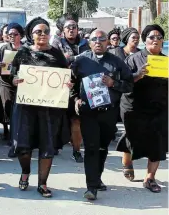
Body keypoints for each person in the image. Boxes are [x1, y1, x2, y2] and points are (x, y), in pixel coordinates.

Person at [9, 17, 70, 198]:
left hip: (49, 109)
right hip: (26, 107)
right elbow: (12, 76)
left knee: (47, 146)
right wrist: (15, 80)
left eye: (45, 31)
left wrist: (68, 84)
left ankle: (42, 183)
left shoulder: (57, 54)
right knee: (23, 145)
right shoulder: (23, 53)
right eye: (38, 32)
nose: (42, 35)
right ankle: (25, 171)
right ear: (31, 34)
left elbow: (66, 76)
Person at [71, 29, 133, 200]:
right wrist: (75, 98)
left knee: (102, 147)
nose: (98, 42)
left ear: (108, 42)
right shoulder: (80, 60)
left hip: (108, 112)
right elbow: (71, 83)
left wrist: (114, 83)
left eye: (102, 39)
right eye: (94, 39)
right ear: (89, 42)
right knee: (91, 148)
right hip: (88, 112)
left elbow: (129, 85)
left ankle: (97, 178)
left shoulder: (117, 62)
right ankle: (91, 187)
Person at [116, 24, 167, 193]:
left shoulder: (165, 61)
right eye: (152, 37)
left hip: (158, 108)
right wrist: (138, 75)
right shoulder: (134, 58)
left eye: (159, 37)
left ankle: (150, 178)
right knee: (132, 137)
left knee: (157, 143)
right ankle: (127, 162)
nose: (156, 40)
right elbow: (122, 82)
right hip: (134, 107)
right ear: (145, 40)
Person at [52, 13, 90, 163]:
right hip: (60, 86)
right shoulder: (56, 43)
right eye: (68, 27)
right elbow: (56, 61)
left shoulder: (86, 43)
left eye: (74, 27)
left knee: (76, 120)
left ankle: (76, 150)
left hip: (80, 86)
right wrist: (74, 59)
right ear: (63, 30)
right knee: (57, 118)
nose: (72, 29)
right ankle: (54, 144)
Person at [0, 23, 24, 140]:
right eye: (9, 34)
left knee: (20, 108)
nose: (12, 36)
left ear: (20, 36)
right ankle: (6, 130)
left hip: (21, 82)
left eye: (15, 34)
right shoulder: (3, 48)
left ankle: (17, 132)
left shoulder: (25, 49)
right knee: (6, 106)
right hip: (5, 81)